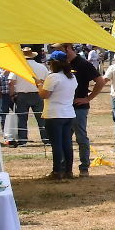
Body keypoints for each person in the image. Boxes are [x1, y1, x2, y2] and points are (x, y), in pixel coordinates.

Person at [49, 42, 105, 177]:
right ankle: (63, 169)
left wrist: (88, 98)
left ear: (67, 48)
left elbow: (100, 81)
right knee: (64, 139)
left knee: (81, 138)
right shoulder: (62, 65)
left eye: (59, 50)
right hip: (64, 109)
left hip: (79, 107)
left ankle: (84, 167)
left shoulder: (83, 64)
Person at [36, 50, 77, 180]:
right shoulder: (72, 77)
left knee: (56, 144)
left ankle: (57, 171)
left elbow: (44, 95)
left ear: (53, 63)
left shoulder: (53, 77)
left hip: (54, 114)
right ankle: (68, 171)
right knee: (67, 143)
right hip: (68, 114)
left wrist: (39, 85)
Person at [9, 46, 49, 146]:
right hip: (38, 94)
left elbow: (11, 82)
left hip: (22, 95)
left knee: (22, 119)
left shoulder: (18, 66)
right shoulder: (42, 67)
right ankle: (46, 139)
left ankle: (23, 140)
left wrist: (12, 94)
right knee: (41, 118)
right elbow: (47, 81)